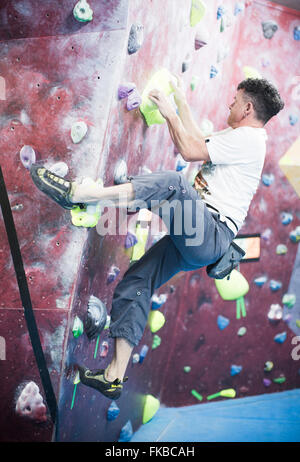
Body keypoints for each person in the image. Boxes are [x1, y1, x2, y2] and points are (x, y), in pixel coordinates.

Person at [30, 76, 284, 400]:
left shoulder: (249, 139)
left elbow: (190, 148)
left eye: (235, 100)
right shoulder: (242, 137)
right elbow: (198, 138)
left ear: (248, 107)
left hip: (209, 234)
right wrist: (178, 97)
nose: (229, 104)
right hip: (200, 240)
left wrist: (169, 113)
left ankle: (82, 194)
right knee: (138, 280)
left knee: (174, 184)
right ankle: (113, 376)